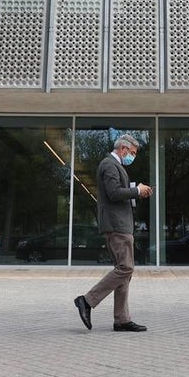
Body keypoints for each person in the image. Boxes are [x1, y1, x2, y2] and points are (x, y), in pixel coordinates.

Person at [74, 134, 153, 332]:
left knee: (124, 272)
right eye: (132, 153)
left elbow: (117, 192)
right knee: (125, 268)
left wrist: (136, 190)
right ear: (123, 149)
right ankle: (87, 300)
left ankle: (122, 319)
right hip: (117, 226)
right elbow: (114, 193)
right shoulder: (109, 164)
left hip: (120, 224)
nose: (132, 157)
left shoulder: (114, 165)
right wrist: (136, 191)